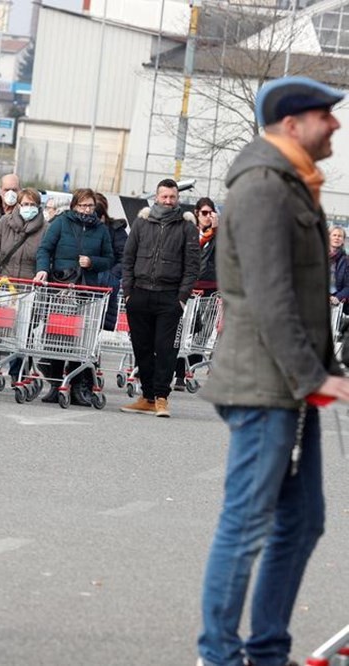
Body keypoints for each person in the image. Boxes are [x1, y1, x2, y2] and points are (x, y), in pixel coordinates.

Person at [197, 76, 349, 666]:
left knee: (304, 520)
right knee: (246, 523)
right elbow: (269, 297)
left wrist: (318, 372)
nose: (335, 125)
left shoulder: (292, 183)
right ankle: (221, 654)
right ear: (291, 125)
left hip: (286, 386)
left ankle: (266, 650)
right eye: (324, 116)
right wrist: (313, 376)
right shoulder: (263, 186)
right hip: (265, 385)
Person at [118, 178, 200, 418]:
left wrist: (182, 298)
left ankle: (162, 397)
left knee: (165, 350)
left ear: (177, 199)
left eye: (172, 197)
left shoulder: (186, 227)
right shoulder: (142, 223)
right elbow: (128, 258)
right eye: (164, 197)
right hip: (140, 294)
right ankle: (147, 397)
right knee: (142, 348)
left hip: (169, 297)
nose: (168, 201)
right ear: (156, 197)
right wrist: (128, 293)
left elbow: (192, 266)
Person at [34, 187, 114, 405]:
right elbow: (44, 249)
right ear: (74, 206)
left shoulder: (101, 230)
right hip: (61, 287)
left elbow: (109, 258)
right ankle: (55, 384)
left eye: (90, 205)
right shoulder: (61, 223)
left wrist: (92, 262)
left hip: (86, 290)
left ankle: (79, 386)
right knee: (57, 337)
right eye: (83, 205)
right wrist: (43, 269)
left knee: (81, 341)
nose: (87, 209)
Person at [0, 187, 48, 383]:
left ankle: (18, 374)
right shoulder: (5, 222)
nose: (28, 208)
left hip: (28, 289)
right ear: (18, 205)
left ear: (39, 207)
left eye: (33, 205)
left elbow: (47, 254)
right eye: (25, 204)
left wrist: (43, 272)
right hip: (4, 286)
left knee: (24, 333)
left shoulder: (45, 229)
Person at [175, 197, 220, 390]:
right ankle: (178, 374)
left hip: (211, 287)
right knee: (183, 331)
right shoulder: (191, 233)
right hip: (190, 287)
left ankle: (189, 369)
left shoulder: (220, 235)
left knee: (203, 331)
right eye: (204, 213)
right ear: (196, 213)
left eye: (211, 213)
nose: (208, 217)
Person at [95, 192, 129, 331]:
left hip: (106, 288)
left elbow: (125, 258)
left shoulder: (116, 231)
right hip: (84, 286)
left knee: (100, 327)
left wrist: (109, 277)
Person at [329, 225, 349, 306]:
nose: (337, 238)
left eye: (340, 236)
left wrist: (338, 297)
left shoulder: (347, 260)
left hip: (336, 300)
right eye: (334, 235)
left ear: (343, 240)